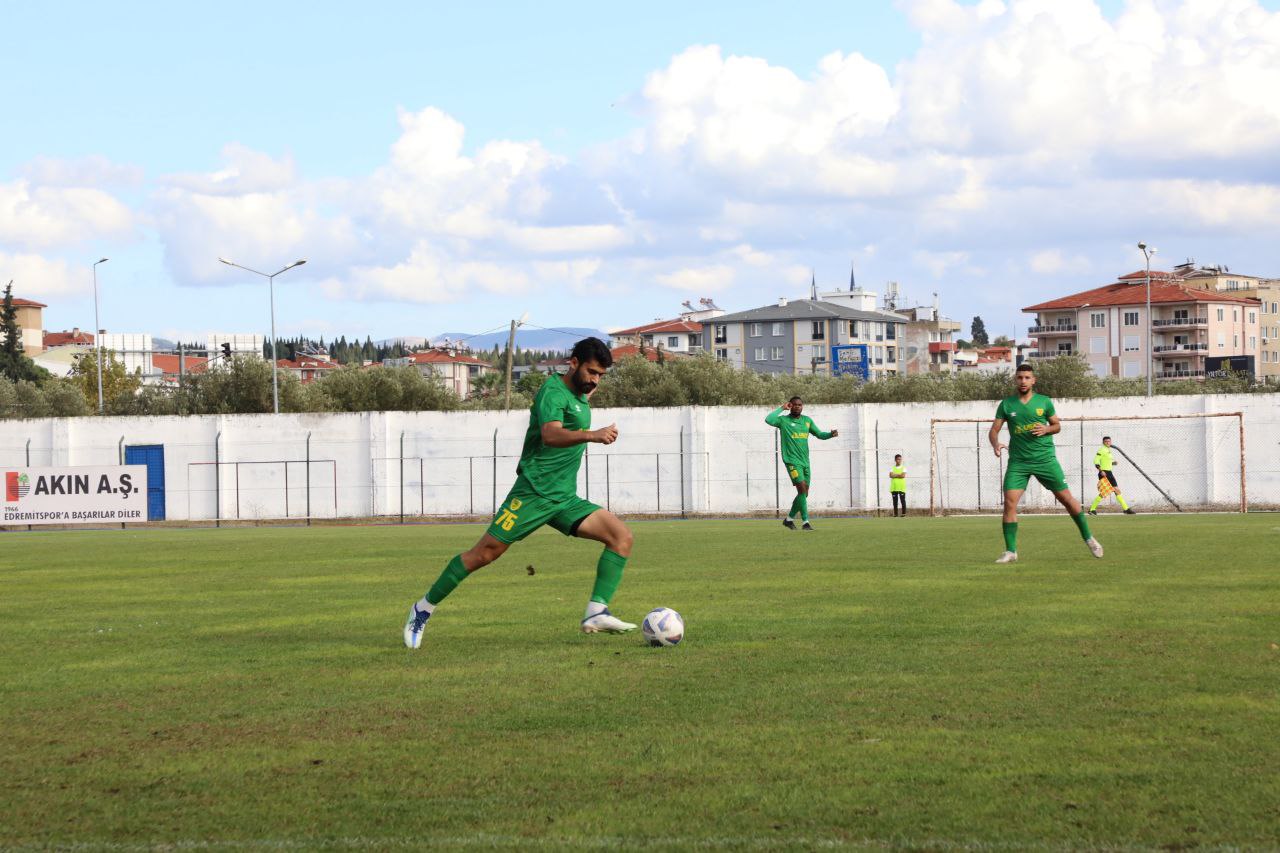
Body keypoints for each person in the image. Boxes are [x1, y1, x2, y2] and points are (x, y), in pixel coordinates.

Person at [404, 337, 637, 649]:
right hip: (533, 492)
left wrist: (588, 391)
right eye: (592, 372)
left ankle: (596, 611)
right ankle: (422, 609)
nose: (595, 380)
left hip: (563, 498)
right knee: (483, 554)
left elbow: (576, 405)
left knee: (621, 538)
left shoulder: (579, 393)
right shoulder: (552, 393)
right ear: (573, 363)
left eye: (600, 376)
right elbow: (551, 434)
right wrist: (593, 435)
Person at [989, 363, 1103, 564]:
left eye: (1027, 378)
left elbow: (1057, 425)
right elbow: (994, 430)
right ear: (1016, 380)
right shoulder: (1006, 404)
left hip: (1045, 460)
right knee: (1009, 503)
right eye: (1020, 377)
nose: (1023, 381)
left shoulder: (1044, 402)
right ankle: (1010, 551)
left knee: (1067, 499)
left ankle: (1089, 538)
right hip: (1018, 462)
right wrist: (995, 443)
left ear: (1033, 380)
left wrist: (1046, 429)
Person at [765, 397, 838, 531]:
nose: (798, 407)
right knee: (802, 490)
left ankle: (789, 519)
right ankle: (805, 522)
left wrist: (830, 435)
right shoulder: (783, 421)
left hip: (805, 462)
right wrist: (782, 408)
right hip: (791, 461)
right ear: (790, 406)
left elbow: (819, 434)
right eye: (795, 405)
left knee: (804, 494)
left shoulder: (807, 421)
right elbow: (768, 419)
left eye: (800, 405)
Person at [1088, 436, 1136, 515]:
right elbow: (1096, 461)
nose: (1108, 443)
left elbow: (1106, 462)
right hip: (1104, 473)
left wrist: (1113, 463)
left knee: (1114, 491)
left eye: (1109, 441)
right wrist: (1101, 470)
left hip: (1109, 473)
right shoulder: (1102, 449)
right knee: (1108, 492)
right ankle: (1092, 509)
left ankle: (1126, 509)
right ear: (1103, 442)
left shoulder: (1108, 450)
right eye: (1106, 441)